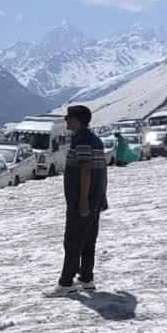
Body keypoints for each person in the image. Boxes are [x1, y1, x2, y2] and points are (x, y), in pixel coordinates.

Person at [45, 105, 108, 298]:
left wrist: (82, 201)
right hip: (95, 198)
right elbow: (101, 170)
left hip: (82, 200)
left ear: (78, 121)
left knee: (72, 240)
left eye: (69, 118)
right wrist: (101, 196)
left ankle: (66, 282)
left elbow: (86, 170)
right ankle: (86, 278)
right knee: (88, 239)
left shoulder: (82, 140)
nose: (66, 121)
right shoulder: (94, 139)